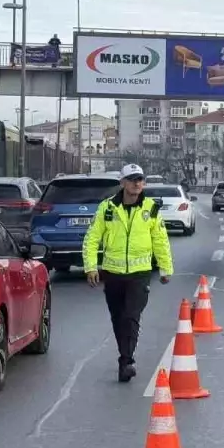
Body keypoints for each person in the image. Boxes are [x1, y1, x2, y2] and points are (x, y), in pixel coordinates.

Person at [82, 164, 173, 383]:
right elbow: (92, 238)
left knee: (131, 316)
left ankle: (127, 361)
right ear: (122, 183)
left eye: (140, 179)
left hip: (139, 274)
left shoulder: (150, 208)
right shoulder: (107, 208)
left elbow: (160, 239)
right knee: (118, 318)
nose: (136, 183)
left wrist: (165, 268)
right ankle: (125, 356)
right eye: (132, 179)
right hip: (113, 273)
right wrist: (91, 267)